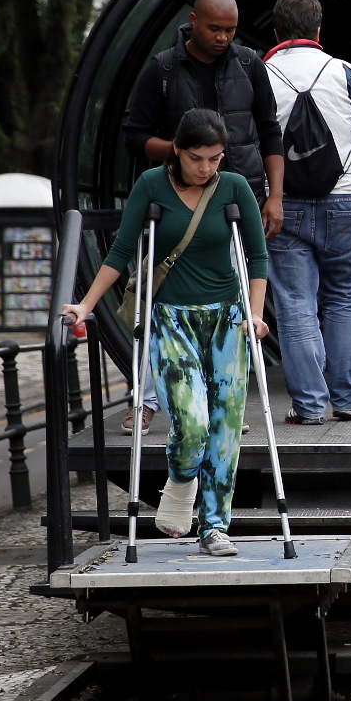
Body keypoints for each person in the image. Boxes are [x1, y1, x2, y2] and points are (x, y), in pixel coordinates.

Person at [63, 109, 270, 558]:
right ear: (177, 150)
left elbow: (257, 256)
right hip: (171, 317)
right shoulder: (151, 186)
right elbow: (121, 250)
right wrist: (85, 305)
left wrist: (254, 314)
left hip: (227, 319)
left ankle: (214, 526)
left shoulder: (233, 189)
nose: (207, 168)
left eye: (216, 158)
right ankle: (180, 476)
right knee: (192, 423)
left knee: (226, 425)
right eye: (198, 158)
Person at [120, 0, 283, 436]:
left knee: (230, 303)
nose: (223, 38)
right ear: (193, 21)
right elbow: (135, 134)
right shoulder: (164, 69)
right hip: (176, 202)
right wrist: (181, 154)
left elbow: (270, 132)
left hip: (235, 198)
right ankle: (147, 400)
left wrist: (275, 195)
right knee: (161, 304)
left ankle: (223, 398)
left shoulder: (250, 64)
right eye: (215, 28)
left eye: (230, 30)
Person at [264, 0, 351, 424]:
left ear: (277, 30)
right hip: (344, 202)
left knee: (296, 302)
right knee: (344, 299)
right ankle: (347, 399)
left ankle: (310, 406)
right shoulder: (345, 72)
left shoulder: (261, 73)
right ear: (319, 30)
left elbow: (248, 141)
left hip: (283, 205)